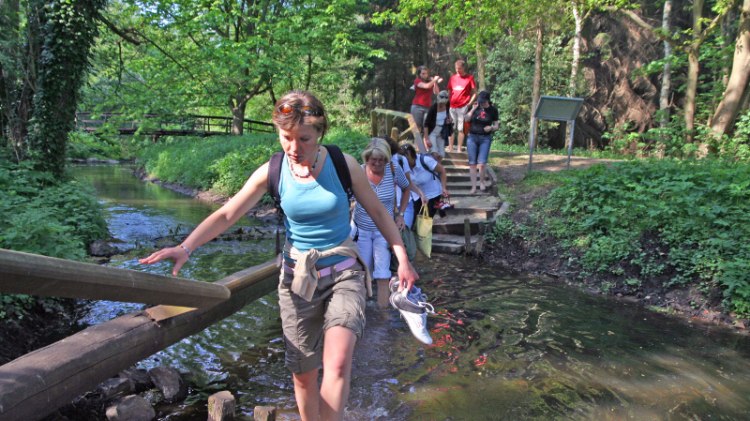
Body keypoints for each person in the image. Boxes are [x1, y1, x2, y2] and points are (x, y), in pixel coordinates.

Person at [139, 90, 419, 421]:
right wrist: (186, 247)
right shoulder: (272, 171)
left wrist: (401, 258)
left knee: (338, 360)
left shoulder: (344, 165)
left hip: (345, 274)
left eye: (304, 138)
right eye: (287, 138)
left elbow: (378, 211)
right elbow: (228, 214)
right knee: (303, 372)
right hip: (297, 280)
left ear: (320, 133)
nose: (294, 148)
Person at [351, 138, 410, 295]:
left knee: (383, 274)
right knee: (363, 272)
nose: (377, 164)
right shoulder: (358, 172)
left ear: (387, 159)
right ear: (366, 159)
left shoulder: (393, 169)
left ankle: (383, 315)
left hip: (384, 230)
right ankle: (363, 311)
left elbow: (407, 188)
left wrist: (401, 214)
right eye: (373, 160)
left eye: (381, 160)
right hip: (361, 230)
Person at [386, 137, 426, 230]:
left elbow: (408, 183)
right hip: (387, 206)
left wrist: (420, 194)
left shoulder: (400, 159)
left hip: (406, 204)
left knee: (405, 232)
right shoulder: (375, 161)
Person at [399, 143, 449, 218]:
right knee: (415, 218)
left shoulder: (425, 160)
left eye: (406, 156)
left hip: (432, 194)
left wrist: (443, 187)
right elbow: (408, 183)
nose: (404, 159)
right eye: (403, 156)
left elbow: (442, 171)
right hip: (416, 195)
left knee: (425, 219)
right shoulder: (402, 166)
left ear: (413, 156)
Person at [465, 90, 499, 194]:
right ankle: (474, 186)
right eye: (480, 101)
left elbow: (497, 126)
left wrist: (491, 128)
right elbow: (466, 119)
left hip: (485, 138)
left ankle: (482, 182)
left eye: (483, 102)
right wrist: (472, 109)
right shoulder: (475, 107)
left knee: (482, 163)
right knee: (472, 163)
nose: (482, 103)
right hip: (472, 137)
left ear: (488, 101)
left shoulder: (493, 110)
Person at [446, 59, 477, 153]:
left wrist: (469, 104)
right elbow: (449, 91)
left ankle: (459, 148)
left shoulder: (469, 78)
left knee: (461, 128)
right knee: (451, 128)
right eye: (456, 68)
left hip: (463, 106)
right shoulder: (453, 78)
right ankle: (450, 148)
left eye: (459, 68)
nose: (457, 70)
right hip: (452, 106)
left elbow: (475, 92)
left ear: (463, 68)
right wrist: (448, 102)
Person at [410, 65, 442, 152]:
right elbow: (426, 86)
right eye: (423, 73)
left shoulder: (430, 82)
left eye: (426, 73)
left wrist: (434, 82)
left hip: (427, 107)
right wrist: (435, 80)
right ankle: (417, 148)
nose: (425, 75)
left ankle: (426, 148)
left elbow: (437, 92)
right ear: (419, 74)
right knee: (417, 127)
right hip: (417, 106)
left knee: (426, 127)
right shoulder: (417, 81)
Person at [422, 90, 452, 158]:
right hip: (432, 132)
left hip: (442, 132)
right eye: (441, 103)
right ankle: (433, 167)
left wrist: (449, 119)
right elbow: (426, 125)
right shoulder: (433, 108)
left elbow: (448, 114)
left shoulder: (447, 105)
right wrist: (427, 139)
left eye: (444, 103)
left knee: (441, 154)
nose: (442, 104)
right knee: (434, 152)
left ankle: (437, 167)